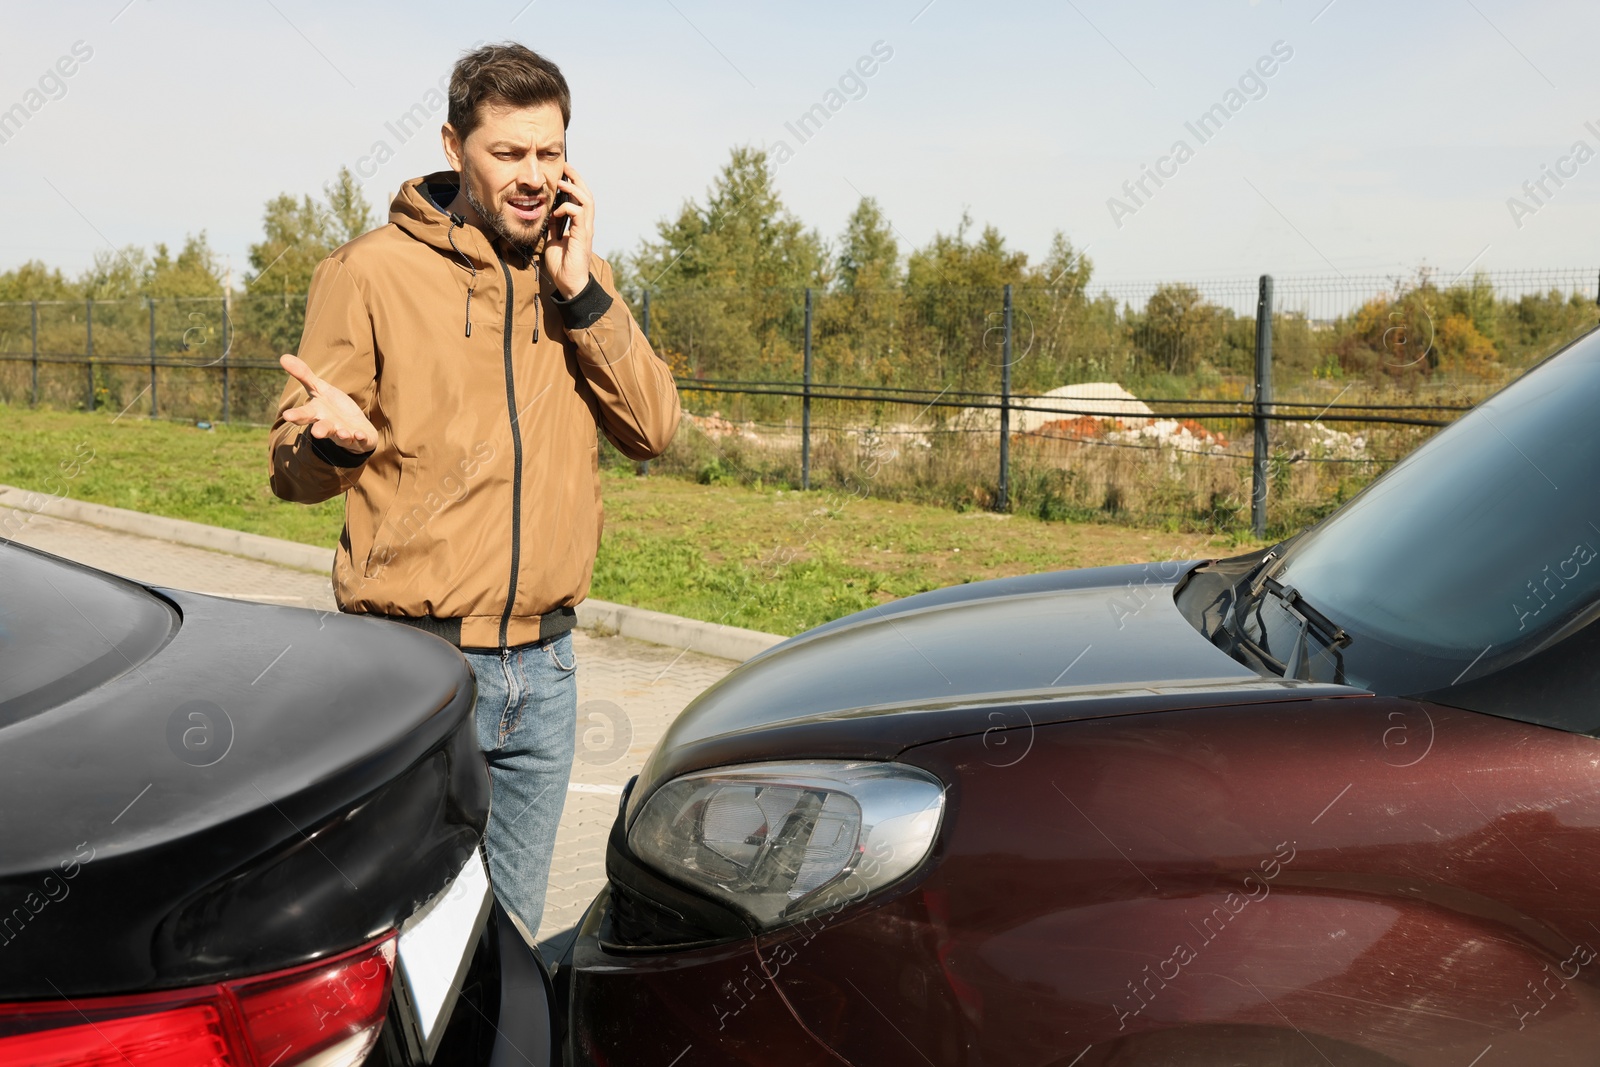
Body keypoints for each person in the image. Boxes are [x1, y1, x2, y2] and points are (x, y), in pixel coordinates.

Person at [267, 42, 680, 941]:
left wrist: (584, 299)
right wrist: (331, 445)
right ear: (455, 146)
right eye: (508, 153)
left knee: (511, 946)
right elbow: (287, 468)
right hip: (413, 668)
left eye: (550, 154)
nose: (534, 176)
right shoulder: (369, 272)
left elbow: (653, 428)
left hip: (548, 670)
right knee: (400, 942)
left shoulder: (580, 277)